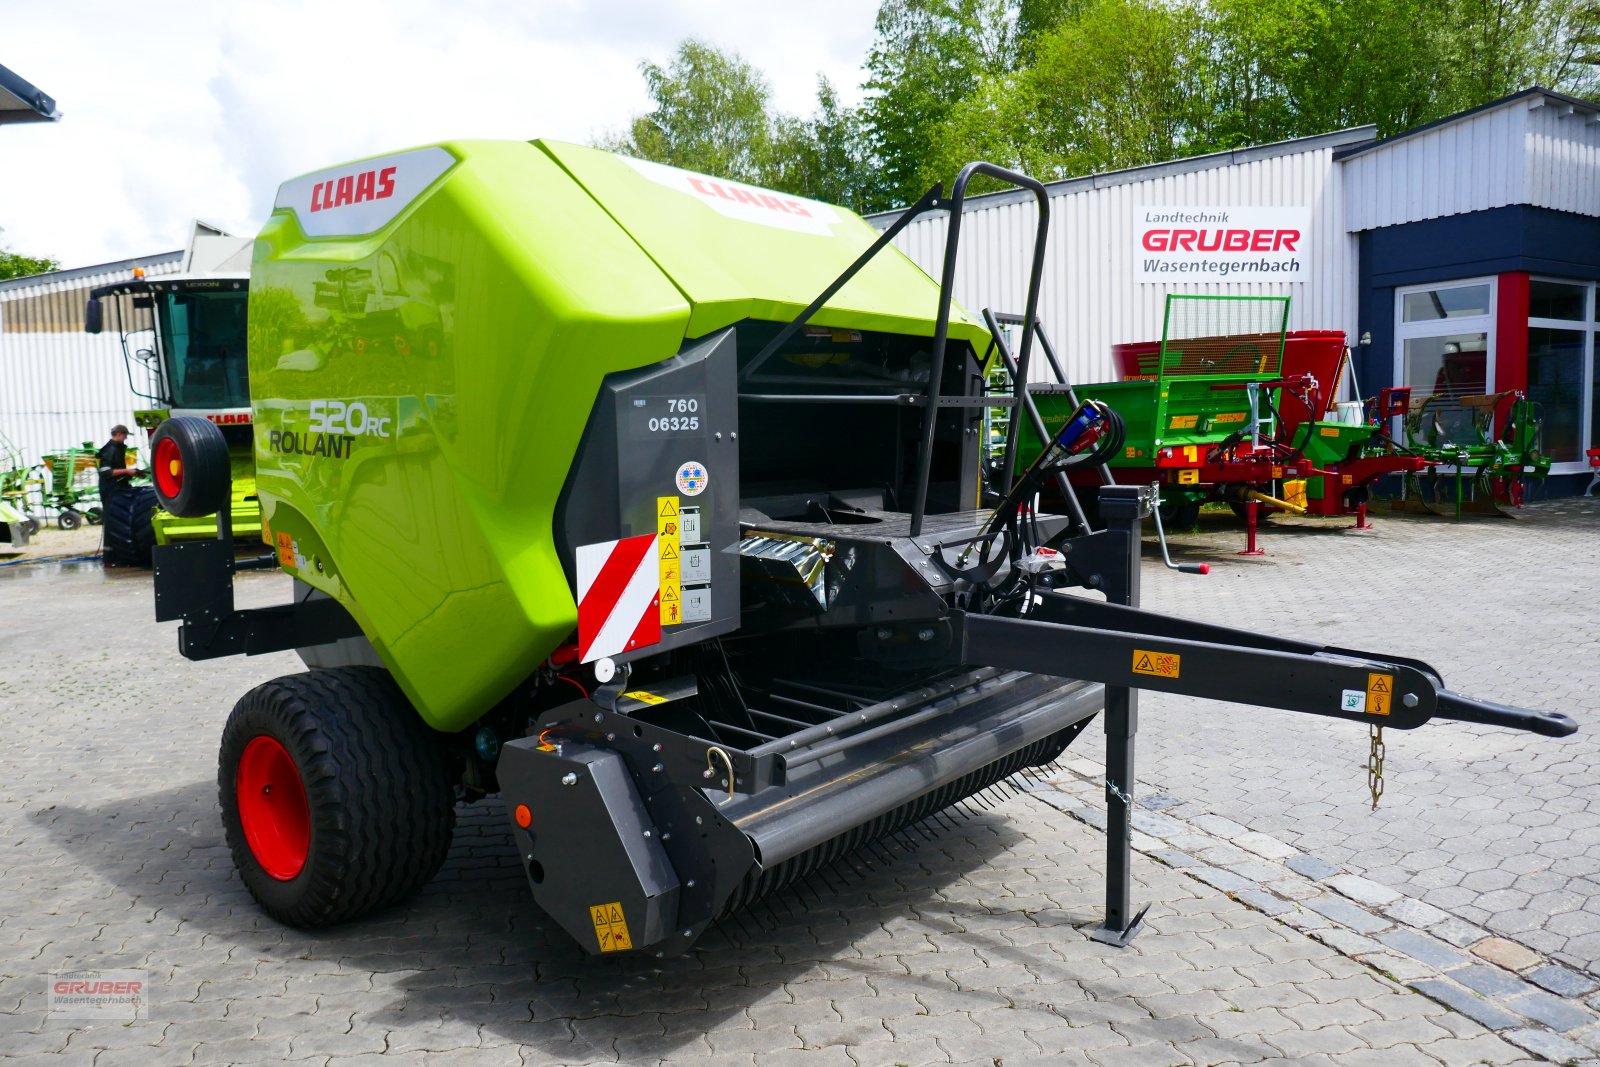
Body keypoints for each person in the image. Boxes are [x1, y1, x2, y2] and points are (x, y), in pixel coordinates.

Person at [96, 424, 138, 504]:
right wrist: (127, 471)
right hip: (111, 491)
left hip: (118, 488)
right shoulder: (110, 449)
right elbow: (106, 472)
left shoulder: (117, 448)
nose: (126, 438)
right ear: (119, 434)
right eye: (125, 436)